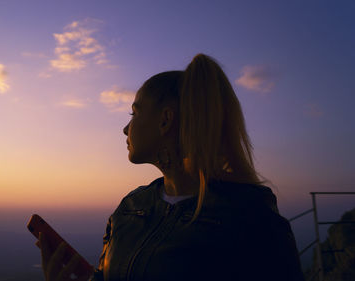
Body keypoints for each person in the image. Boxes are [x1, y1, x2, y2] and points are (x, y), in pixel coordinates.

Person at [36, 54, 306, 281]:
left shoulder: (250, 217)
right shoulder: (131, 207)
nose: (125, 128)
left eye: (135, 113)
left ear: (165, 120)